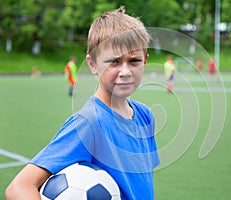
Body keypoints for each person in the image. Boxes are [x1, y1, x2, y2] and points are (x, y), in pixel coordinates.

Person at [6, 7, 160, 200]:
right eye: (114, 61)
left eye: (134, 61)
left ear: (145, 61)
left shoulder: (145, 115)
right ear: (93, 64)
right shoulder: (88, 123)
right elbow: (19, 187)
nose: (125, 71)